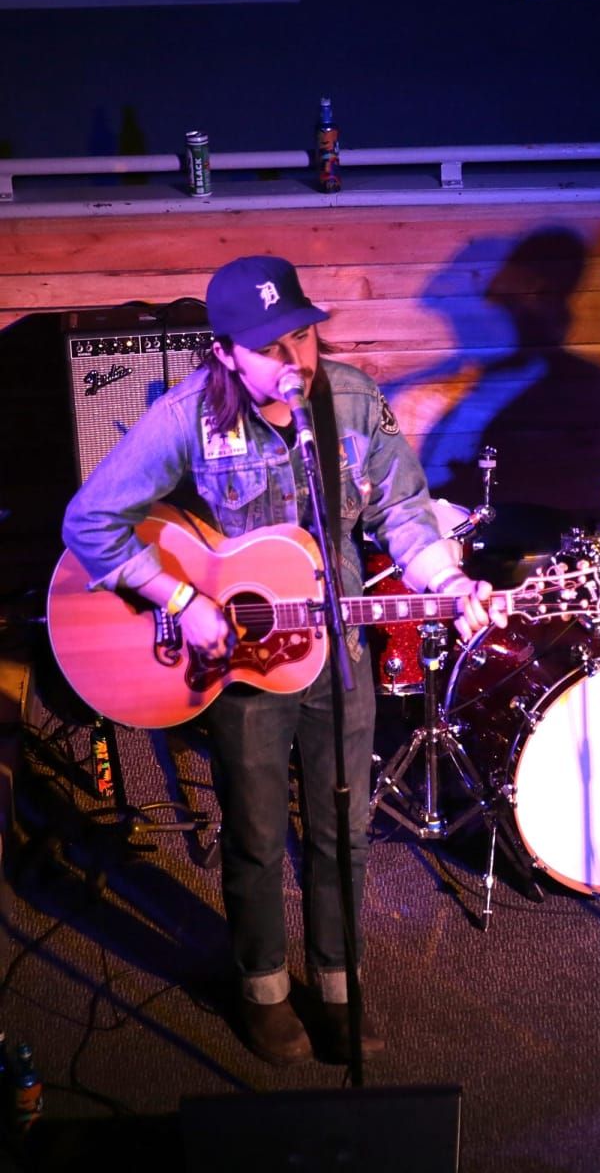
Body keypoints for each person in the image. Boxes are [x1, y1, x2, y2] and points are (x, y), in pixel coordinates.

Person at [61, 255, 506, 1066]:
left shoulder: (351, 401)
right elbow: (90, 523)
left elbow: (404, 510)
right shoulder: (188, 414)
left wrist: (446, 578)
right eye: (271, 346)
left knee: (344, 829)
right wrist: (182, 602)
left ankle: (339, 983)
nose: (294, 358)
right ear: (228, 352)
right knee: (259, 833)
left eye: (302, 336)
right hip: (239, 662)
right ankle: (262, 988)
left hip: (335, 650)